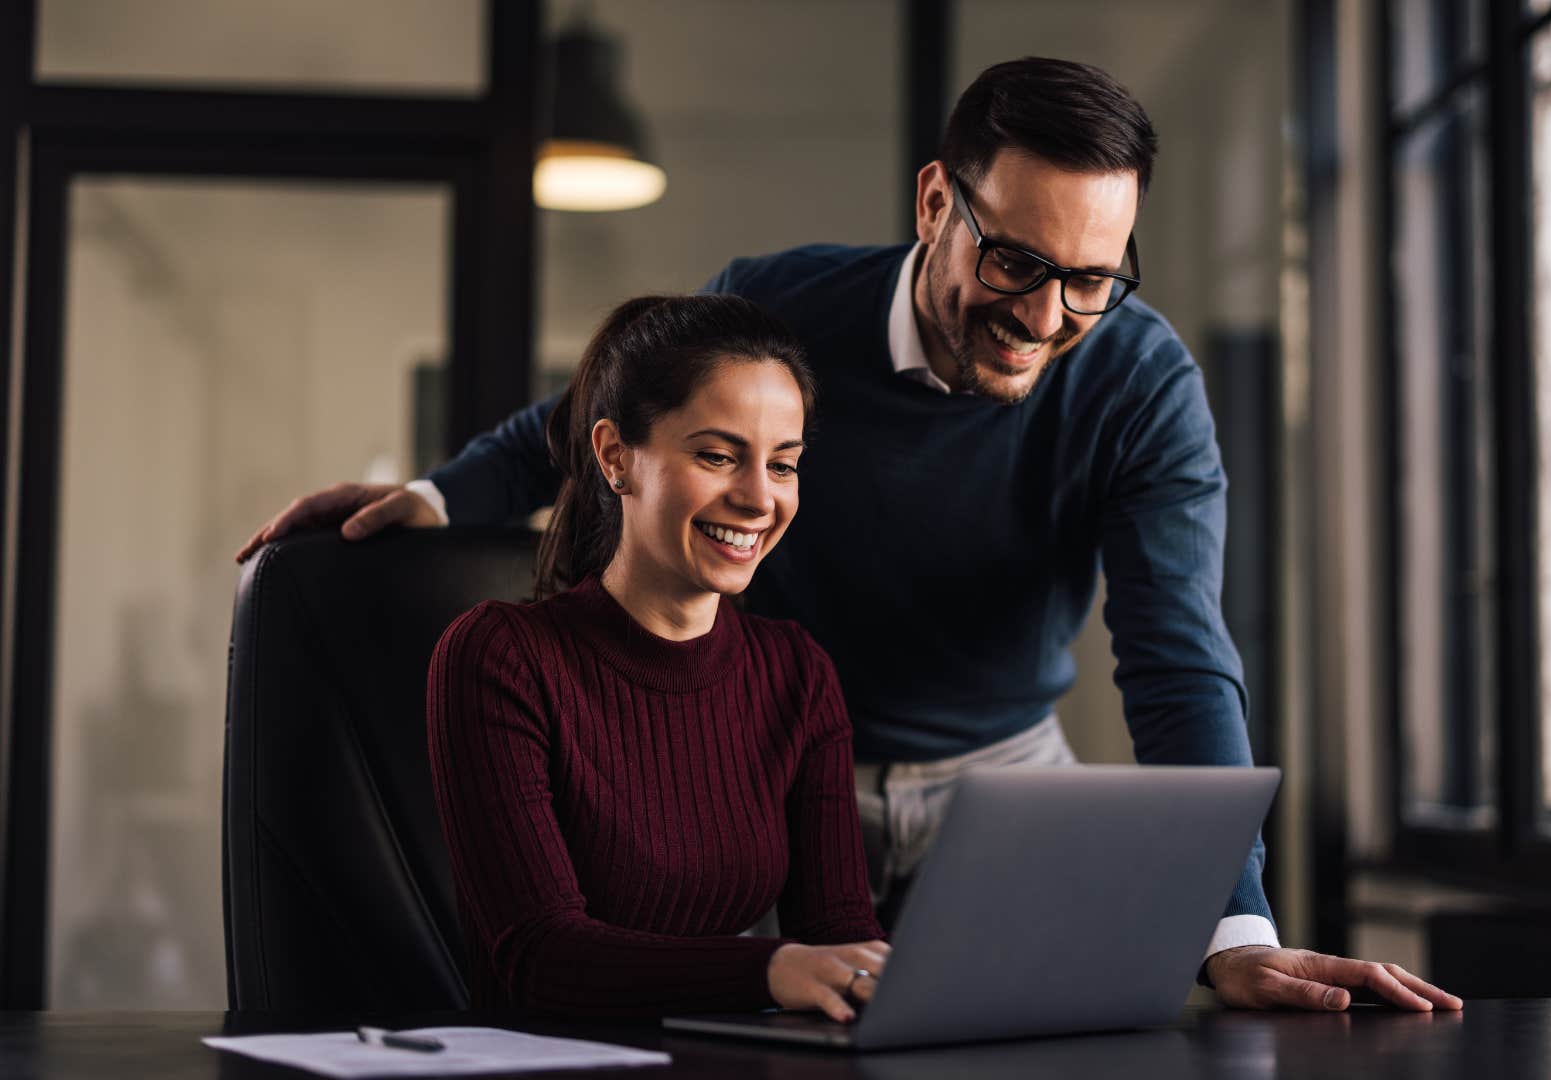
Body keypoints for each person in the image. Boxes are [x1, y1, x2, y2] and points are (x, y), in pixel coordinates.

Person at [248, 58, 1459, 1014]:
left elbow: (1179, 657)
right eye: (1016, 261)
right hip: (763, 771)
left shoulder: (1140, 386)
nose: (1046, 317)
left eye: (1092, 278)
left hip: (997, 780)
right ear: (937, 202)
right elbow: (612, 405)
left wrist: (1232, 925)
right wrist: (442, 496)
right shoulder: (783, 306)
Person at [426, 295, 886, 1021]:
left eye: (784, 464)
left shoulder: (797, 674)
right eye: (717, 456)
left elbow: (838, 938)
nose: (759, 498)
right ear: (616, 457)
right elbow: (540, 957)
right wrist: (768, 970)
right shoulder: (500, 658)